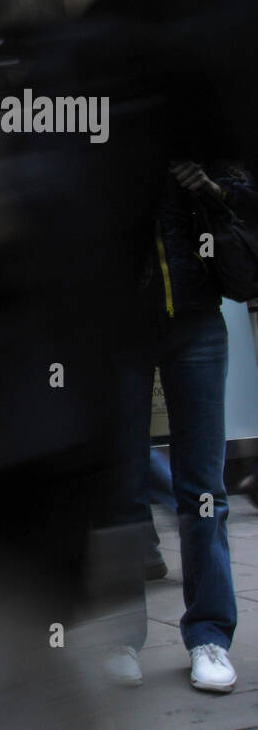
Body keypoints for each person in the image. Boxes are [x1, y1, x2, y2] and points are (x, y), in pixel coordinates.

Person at [114, 159, 256, 692]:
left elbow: (245, 197)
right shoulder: (98, 127)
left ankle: (210, 635)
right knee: (121, 488)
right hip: (117, 328)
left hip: (196, 319)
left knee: (204, 489)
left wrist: (213, 186)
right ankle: (120, 636)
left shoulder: (199, 125)